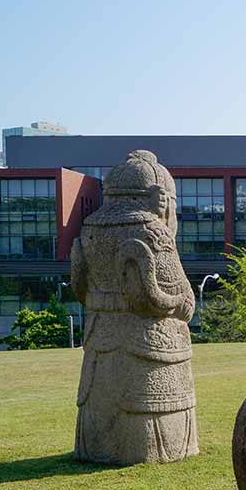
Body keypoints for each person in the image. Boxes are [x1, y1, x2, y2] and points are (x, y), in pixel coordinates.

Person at [71, 150, 199, 464]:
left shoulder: (90, 228)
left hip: (101, 334)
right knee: (149, 410)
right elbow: (181, 298)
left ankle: (97, 449)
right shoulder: (152, 231)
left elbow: (81, 285)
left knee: (101, 401)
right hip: (149, 341)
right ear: (160, 198)